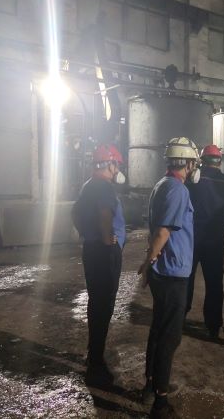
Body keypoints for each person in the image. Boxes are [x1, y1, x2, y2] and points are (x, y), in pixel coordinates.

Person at [137, 137, 200, 419]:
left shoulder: (161, 185)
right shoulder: (178, 190)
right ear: (187, 163)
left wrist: (150, 263)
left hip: (163, 270)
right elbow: (163, 231)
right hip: (173, 273)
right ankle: (160, 402)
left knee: (158, 329)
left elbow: (155, 230)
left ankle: (150, 385)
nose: (194, 168)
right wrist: (148, 261)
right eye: (194, 163)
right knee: (169, 337)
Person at [72, 144, 126, 383]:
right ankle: (96, 362)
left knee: (96, 302)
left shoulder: (87, 185)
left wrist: (87, 233)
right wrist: (107, 239)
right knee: (104, 305)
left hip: (91, 250)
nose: (118, 170)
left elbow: (74, 213)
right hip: (104, 253)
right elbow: (105, 214)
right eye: (116, 165)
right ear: (110, 164)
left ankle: (94, 352)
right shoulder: (104, 187)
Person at [185, 144, 224, 339]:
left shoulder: (191, 179)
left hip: (191, 241)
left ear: (201, 161)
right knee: (214, 284)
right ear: (220, 161)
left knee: (186, 280)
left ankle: (179, 318)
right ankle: (213, 326)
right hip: (214, 243)